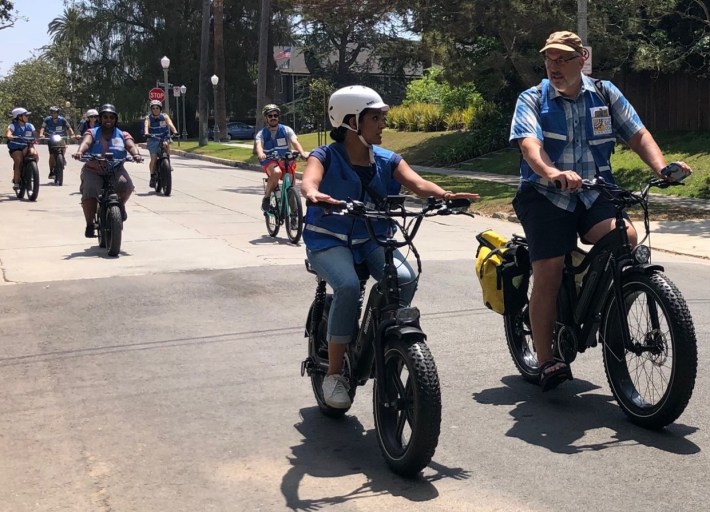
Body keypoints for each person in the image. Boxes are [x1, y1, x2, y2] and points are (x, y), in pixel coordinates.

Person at [509, 30, 692, 391]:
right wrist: (552, 172)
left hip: (594, 192)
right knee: (548, 268)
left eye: (562, 59)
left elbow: (637, 133)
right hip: (546, 195)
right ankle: (546, 358)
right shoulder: (532, 99)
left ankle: (608, 312)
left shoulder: (605, 94)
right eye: (549, 59)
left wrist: (661, 169)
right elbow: (530, 145)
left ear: (582, 60)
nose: (554, 66)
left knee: (626, 236)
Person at [301, 85, 479, 409]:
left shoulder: (387, 159)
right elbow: (310, 178)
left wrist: (444, 196)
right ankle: (335, 375)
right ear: (352, 121)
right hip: (328, 239)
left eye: (383, 117)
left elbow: (418, 183)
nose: (383, 124)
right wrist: (313, 192)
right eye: (376, 118)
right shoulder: (325, 155)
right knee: (347, 285)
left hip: (371, 237)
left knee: (404, 277)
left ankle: (386, 334)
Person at [73, 104, 143, 238]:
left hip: (115, 169)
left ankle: (120, 206)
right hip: (94, 169)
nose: (108, 119)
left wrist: (136, 154)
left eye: (111, 117)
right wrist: (80, 152)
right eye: (105, 117)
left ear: (115, 119)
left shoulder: (123, 134)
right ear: (100, 118)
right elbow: (86, 143)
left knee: (126, 185)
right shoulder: (92, 132)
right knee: (90, 190)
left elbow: (130, 145)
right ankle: (89, 224)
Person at [255, 104, 307, 212]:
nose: (273, 118)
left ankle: (294, 216)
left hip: (286, 160)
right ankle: (267, 197)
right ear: (266, 118)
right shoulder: (261, 133)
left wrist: (302, 153)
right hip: (270, 160)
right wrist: (261, 154)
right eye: (270, 116)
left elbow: (295, 142)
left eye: (275, 115)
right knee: (277, 172)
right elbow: (259, 146)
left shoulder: (286, 130)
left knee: (291, 188)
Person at [144, 100, 177, 188]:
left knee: (166, 145)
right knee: (154, 158)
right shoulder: (148, 118)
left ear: (160, 109)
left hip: (164, 137)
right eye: (153, 108)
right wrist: (146, 132)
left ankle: (168, 163)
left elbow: (170, 124)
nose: (155, 110)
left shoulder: (164, 116)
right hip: (153, 139)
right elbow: (146, 126)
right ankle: (152, 176)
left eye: (157, 108)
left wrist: (175, 131)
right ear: (151, 109)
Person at [5, 107, 39, 191]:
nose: (27, 117)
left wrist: (39, 136)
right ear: (19, 117)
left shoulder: (30, 125)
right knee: (19, 160)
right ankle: (16, 182)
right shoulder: (12, 125)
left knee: (35, 154)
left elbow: (35, 134)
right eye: (25, 115)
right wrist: (9, 136)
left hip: (26, 145)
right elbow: (8, 133)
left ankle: (31, 170)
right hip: (15, 147)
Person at [39, 106, 77, 179]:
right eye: (52, 112)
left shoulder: (62, 120)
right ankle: (51, 171)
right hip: (51, 138)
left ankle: (62, 157)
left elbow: (69, 128)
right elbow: (42, 128)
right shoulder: (47, 120)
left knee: (64, 146)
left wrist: (72, 134)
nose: (53, 114)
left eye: (55, 112)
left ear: (57, 113)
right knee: (52, 155)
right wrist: (41, 134)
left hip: (61, 137)